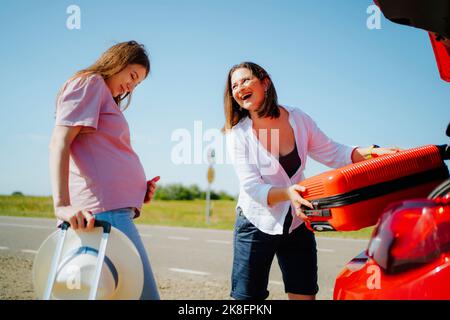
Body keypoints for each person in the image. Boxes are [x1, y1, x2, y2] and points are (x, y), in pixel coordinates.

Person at [223, 61, 399, 300]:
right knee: (246, 300)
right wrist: (288, 193)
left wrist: (371, 152)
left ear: (265, 82)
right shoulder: (238, 135)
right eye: (234, 86)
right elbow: (252, 187)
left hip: (298, 221)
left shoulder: (298, 118)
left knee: (304, 294)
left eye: (245, 80)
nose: (239, 88)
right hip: (256, 224)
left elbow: (334, 152)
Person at [49, 40, 160, 300]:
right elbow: (59, 142)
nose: (132, 86)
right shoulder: (90, 83)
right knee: (142, 296)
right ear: (117, 62)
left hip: (114, 211)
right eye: (132, 76)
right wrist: (62, 205)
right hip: (103, 214)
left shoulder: (103, 96)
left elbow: (100, 154)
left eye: (138, 83)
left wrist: (135, 189)